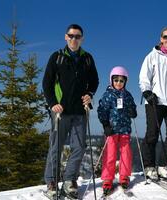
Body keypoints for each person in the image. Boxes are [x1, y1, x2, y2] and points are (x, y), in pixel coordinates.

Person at [42, 24, 99, 199]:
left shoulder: (87, 58)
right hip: (61, 110)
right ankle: (51, 181)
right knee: (56, 147)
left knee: (79, 147)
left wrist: (89, 95)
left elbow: (94, 81)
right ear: (66, 37)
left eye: (77, 36)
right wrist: (52, 103)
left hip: (80, 111)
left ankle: (69, 180)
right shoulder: (57, 57)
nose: (74, 39)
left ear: (82, 38)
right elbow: (47, 83)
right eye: (71, 35)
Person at [139, 26, 167, 180]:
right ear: (161, 39)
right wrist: (147, 92)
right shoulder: (152, 56)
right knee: (152, 135)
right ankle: (149, 166)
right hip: (155, 102)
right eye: (166, 37)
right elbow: (144, 77)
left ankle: (164, 164)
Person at [97, 66, 137, 195]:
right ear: (111, 80)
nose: (118, 83)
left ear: (125, 82)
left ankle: (124, 176)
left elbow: (133, 107)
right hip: (112, 130)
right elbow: (102, 110)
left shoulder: (127, 95)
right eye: (116, 80)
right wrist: (105, 125)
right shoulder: (108, 95)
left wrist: (133, 112)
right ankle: (108, 179)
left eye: (121, 80)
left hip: (125, 129)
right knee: (110, 154)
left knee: (126, 153)